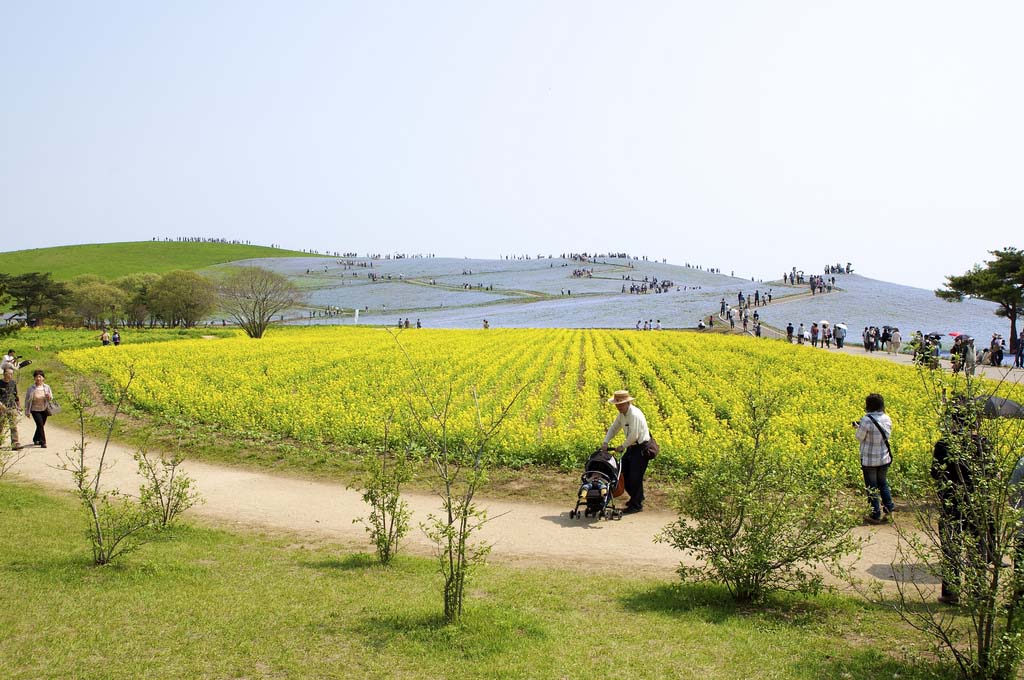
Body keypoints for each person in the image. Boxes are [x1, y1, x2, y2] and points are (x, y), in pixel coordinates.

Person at [932, 399, 992, 604]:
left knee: (951, 547)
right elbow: (990, 474)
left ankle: (951, 592)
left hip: (951, 502)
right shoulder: (983, 443)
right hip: (977, 504)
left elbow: (935, 473)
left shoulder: (943, 444)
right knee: (976, 547)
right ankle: (978, 593)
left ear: (953, 421)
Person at [601, 390, 655, 514]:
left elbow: (634, 436)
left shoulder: (634, 414)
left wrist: (622, 446)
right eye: (617, 404)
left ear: (627, 403)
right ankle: (637, 498)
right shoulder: (622, 414)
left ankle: (636, 505)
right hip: (632, 448)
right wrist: (606, 442)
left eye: (620, 404)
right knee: (622, 473)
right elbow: (614, 427)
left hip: (641, 448)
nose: (618, 407)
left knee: (635, 477)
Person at [854, 393, 895, 524]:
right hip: (884, 458)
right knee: (883, 484)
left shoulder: (866, 420)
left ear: (868, 405)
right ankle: (889, 511)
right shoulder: (887, 418)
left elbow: (859, 437)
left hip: (869, 460)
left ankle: (875, 514)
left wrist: (858, 427)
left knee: (872, 487)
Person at [24, 369, 54, 448]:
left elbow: (51, 397)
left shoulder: (47, 387)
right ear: (34, 378)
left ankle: (35, 438)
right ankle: (43, 442)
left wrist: (49, 397)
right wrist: (27, 411)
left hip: (44, 409)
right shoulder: (31, 388)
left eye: (40, 377)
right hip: (34, 410)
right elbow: (27, 400)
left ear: (43, 378)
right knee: (40, 424)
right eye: (36, 377)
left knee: (40, 425)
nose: (38, 378)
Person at [1, 367, 22, 450]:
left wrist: (18, 405)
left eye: (12, 374)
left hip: (11, 407)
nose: (10, 375)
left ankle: (15, 443)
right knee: (0, 426)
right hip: (1, 408)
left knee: (13, 426)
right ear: (4, 374)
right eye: (9, 374)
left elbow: (15, 395)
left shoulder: (13, 383)